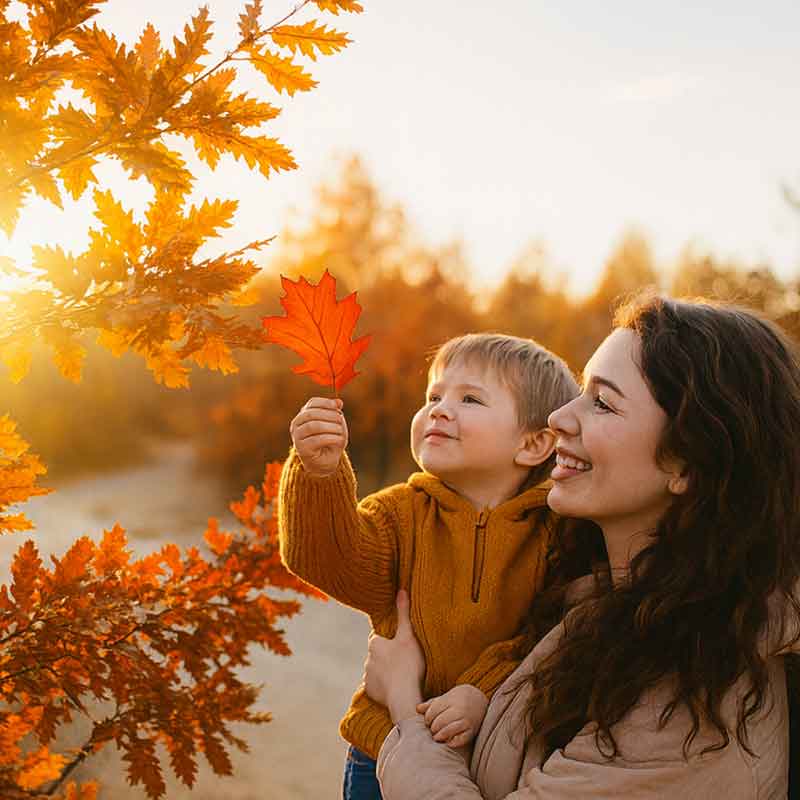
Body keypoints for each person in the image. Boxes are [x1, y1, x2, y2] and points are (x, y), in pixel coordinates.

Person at [365, 294, 800, 798]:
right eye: (581, 390)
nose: (558, 417)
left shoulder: (696, 707)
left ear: (686, 463)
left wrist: (405, 705)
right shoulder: (598, 602)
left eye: (603, 403)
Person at [278, 333, 580, 799]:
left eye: (470, 399)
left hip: (500, 751)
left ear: (534, 443)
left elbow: (549, 637)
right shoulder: (400, 513)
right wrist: (319, 474)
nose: (440, 410)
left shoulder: (557, 531)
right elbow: (327, 560)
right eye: (434, 397)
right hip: (384, 749)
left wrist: (482, 692)